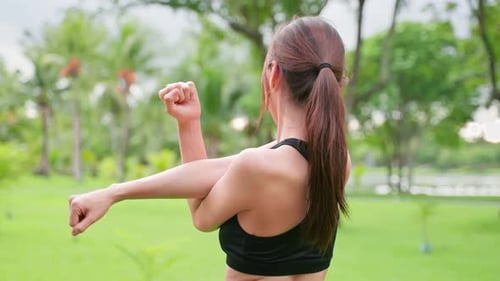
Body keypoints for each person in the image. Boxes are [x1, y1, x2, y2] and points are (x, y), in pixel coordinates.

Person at [68, 16, 351, 281]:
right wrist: (188, 124)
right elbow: (206, 173)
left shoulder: (259, 166)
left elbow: (201, 216)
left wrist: (114, 193)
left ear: (274, 73)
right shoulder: (336, 161)